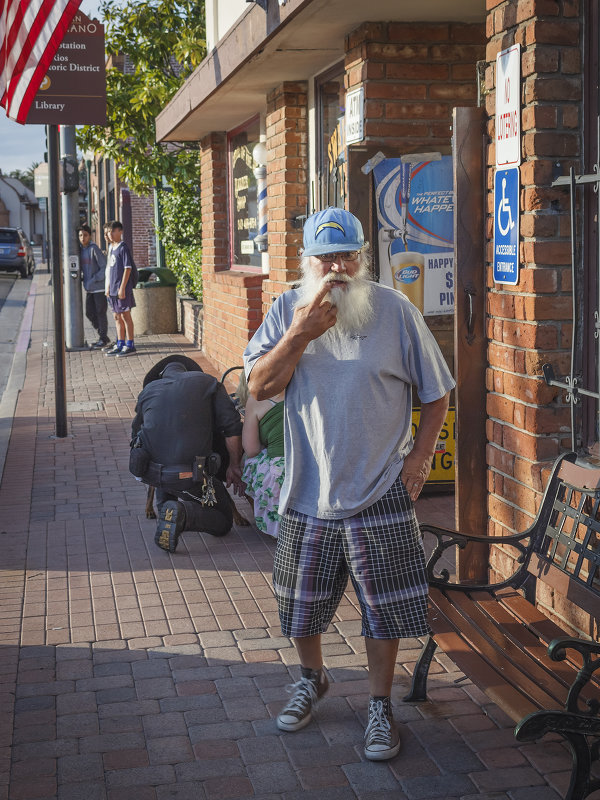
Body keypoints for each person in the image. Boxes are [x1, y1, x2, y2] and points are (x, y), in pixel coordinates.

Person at [244, 207, 454, 761]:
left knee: (382, 607)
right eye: (326, 257)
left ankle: (380, 705)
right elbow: (261, 386)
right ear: (306, 261)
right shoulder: (285, 310)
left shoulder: (395, 311)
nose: (337, 267)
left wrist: (421, 458)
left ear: (363, 258)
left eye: (347, 255)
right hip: (309, 486)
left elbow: (437, 392)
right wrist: (299, 334)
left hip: (381, 484)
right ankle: (312, 677)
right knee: (300, 600)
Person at [131, 354, 245, 553]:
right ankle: (183, 512)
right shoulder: (209, 383)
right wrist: (234, 464)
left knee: (167, 480)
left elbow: (135, 438)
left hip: (156, 475)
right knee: (223, 520)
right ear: (190, 371)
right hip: (192, 475)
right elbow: (232, 427)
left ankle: (168, 510)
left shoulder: (147, 391)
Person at [242, 389, 285, 539]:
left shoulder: (257, 400)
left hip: (280, 473)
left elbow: (251, 449)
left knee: (251, 462)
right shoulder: (314, 389)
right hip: (315, 467)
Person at [105, 220, 137, 358]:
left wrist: (122, 288)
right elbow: (109, 270)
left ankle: (130, 344)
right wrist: (107, 287)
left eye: (113, 231)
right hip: (112, 290)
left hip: (121, 289)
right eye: (108, 232)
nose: (110, 234)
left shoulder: (123, 248)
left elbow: (127, 268)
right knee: (116, 317)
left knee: (125, 315)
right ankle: (120, 343)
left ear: (120, 231)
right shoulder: (112, 248)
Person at [78, 224, 110, 349]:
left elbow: (104, 267)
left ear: (90, 236)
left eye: (85, 235)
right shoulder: (80, 250)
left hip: (99, 288)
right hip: (89, 288)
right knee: (89, 313)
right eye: (80, 235)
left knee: (100, 313)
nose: (83, 238)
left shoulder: (93, 249)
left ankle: (103, 338)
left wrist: (94, 279)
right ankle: (103, 336)